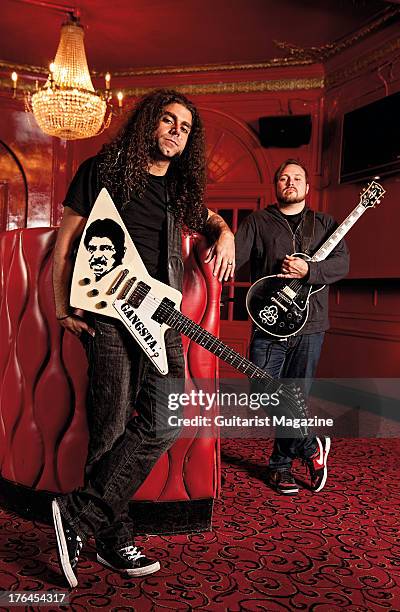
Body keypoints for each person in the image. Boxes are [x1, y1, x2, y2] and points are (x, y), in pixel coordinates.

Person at [52, 89, 235, 588]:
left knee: (165, 418)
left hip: (161, 317)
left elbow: (209, 218)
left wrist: (227, 233)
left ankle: (78, 515)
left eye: (186, 127)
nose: (177, 131)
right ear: (148, 122)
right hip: (107, 314)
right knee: (110, 427)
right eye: (168, 120)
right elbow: (67, 241)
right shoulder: (102, 169)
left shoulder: (178, 187)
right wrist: (59, 304)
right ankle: (113, 538)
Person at [235, 159, 349, 496]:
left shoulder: (326, 223)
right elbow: (233, 257)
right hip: (268, 323)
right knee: (262, 393)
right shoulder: (258, 221)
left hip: (311, 324)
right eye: (284, 178)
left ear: (307, 187)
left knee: (295, 398)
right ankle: (311, 446)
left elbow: (342, 263)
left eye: (297, 177)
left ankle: (281, 466)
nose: (291, 182)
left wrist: (309, 272)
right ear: (276, 186)